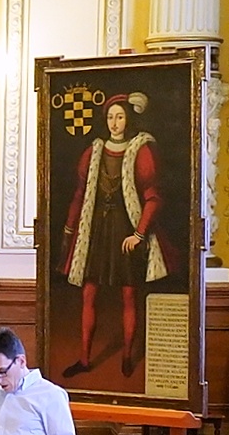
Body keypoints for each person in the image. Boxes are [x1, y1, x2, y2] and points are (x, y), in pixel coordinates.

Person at [56, 94, 165, 381]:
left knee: (128, 294)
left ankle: (127, 356)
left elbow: (153, 198)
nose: (114, 123)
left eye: (120, 117)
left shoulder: (141, 150)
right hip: (97, 230)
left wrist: (138, 233)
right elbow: (80, 194)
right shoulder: (93, 152)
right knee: (89, 293)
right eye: (110, 117)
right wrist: (70, 227)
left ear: (129, 119)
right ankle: (84, 358)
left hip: (125, 229)